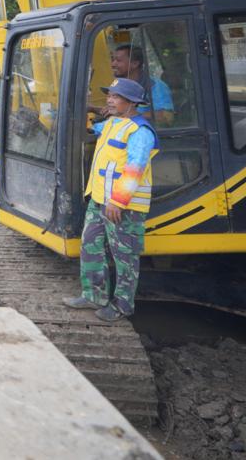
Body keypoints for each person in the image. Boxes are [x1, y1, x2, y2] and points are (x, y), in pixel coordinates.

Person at [63, 77, 157, 322]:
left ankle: (123, 305)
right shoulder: (113, 123)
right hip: (99, 200)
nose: (110, 100)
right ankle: (94, 295)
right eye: (110, 95)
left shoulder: (141, 132)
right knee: (90, 246)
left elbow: (135, 169)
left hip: (124, 206)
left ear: (132, 103)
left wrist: (118, 201)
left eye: (116, 97)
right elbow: (91, 128)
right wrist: (86, 107)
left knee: (124, 256)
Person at [112, 44, 174, 126]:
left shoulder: (155, 86)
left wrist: (129, 115)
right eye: (112, 60)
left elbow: (166, 116)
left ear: (135, 64)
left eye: (118, 61)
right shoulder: (119, 86)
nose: (113, 64)